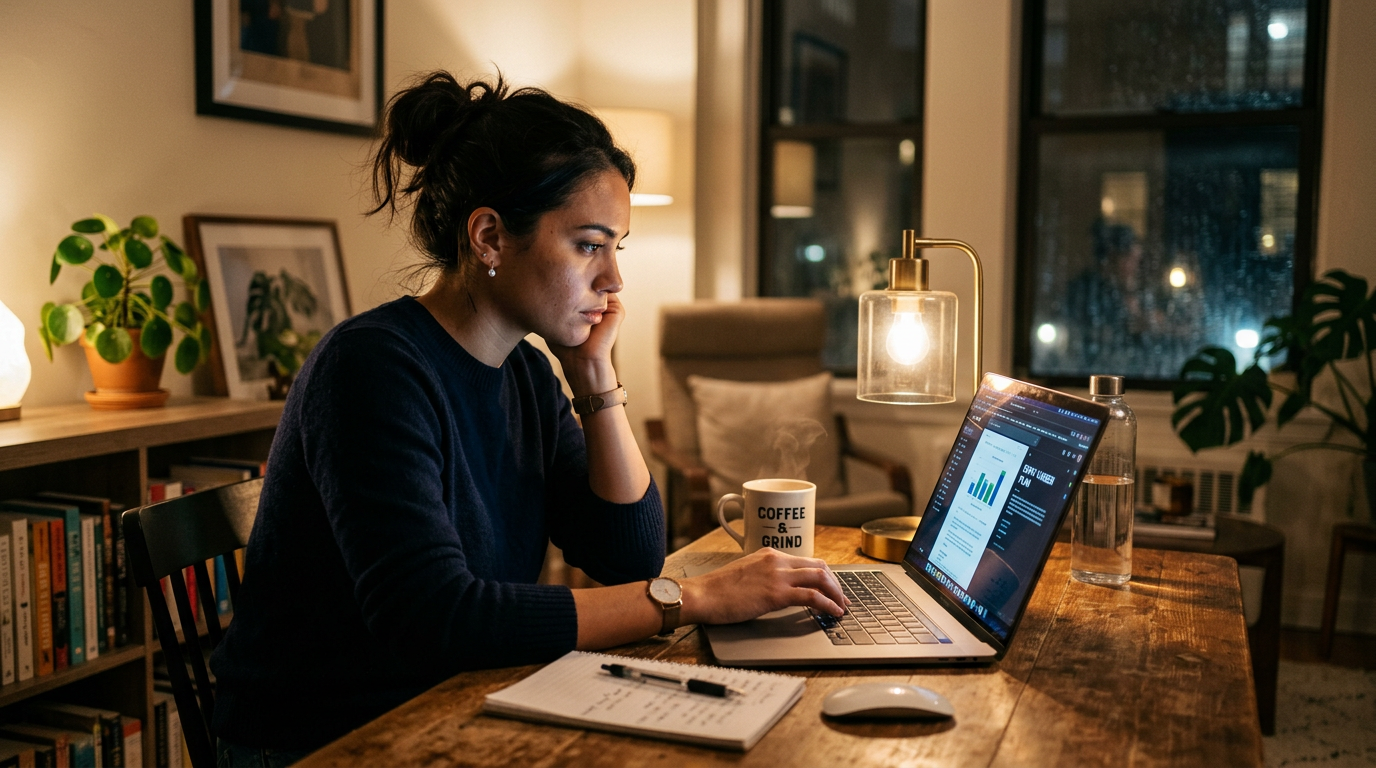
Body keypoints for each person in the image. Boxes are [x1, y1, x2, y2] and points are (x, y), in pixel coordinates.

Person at [208, 71, 849, 767]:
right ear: (489, 236)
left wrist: (595, 378)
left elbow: (626, 555)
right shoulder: (370, 368)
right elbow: (436, 618)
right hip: (328, 739)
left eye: (617, 247)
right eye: (589, 244)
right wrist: (693, 599)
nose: (614, 280)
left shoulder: (524, 371)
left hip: (457, 700)